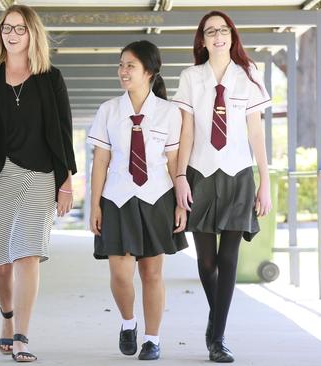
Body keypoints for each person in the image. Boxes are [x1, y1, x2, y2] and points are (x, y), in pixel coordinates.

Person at [0, 4, 76, 363]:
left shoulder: (50, 77)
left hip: (39, 175)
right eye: (7, 28)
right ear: (0, 32)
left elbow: (63, 131)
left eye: (20, 29)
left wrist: (65, 181)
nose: (12, 34)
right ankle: (7, 316)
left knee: (27, 254)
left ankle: (22, 336)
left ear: (32, 34)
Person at [172, 11, 273, 363]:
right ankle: (218, 323)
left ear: (232, 36)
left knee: (229, 258)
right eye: (210, 31)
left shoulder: (248, 76)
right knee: (206, 260)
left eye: (223, 30)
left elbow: (256, 132)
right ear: (202, 39)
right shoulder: (190, 77)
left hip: (238, 173)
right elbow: (186, 130)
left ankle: (217, 337)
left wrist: (265, 182)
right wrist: (180, 176)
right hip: (200, 172)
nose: (217, 36)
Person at [88, 40, 188, 361]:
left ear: (150, 71)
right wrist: (94, 205)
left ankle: (153, 339)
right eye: (121, 65)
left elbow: (173, 162)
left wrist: (178, 202)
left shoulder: (170, 112)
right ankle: (128, 323)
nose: (123, 71)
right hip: (116, 198)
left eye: (130, 65)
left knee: (152, 274)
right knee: (119, 274)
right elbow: (100, 161)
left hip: (156, 197)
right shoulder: (108, 110)